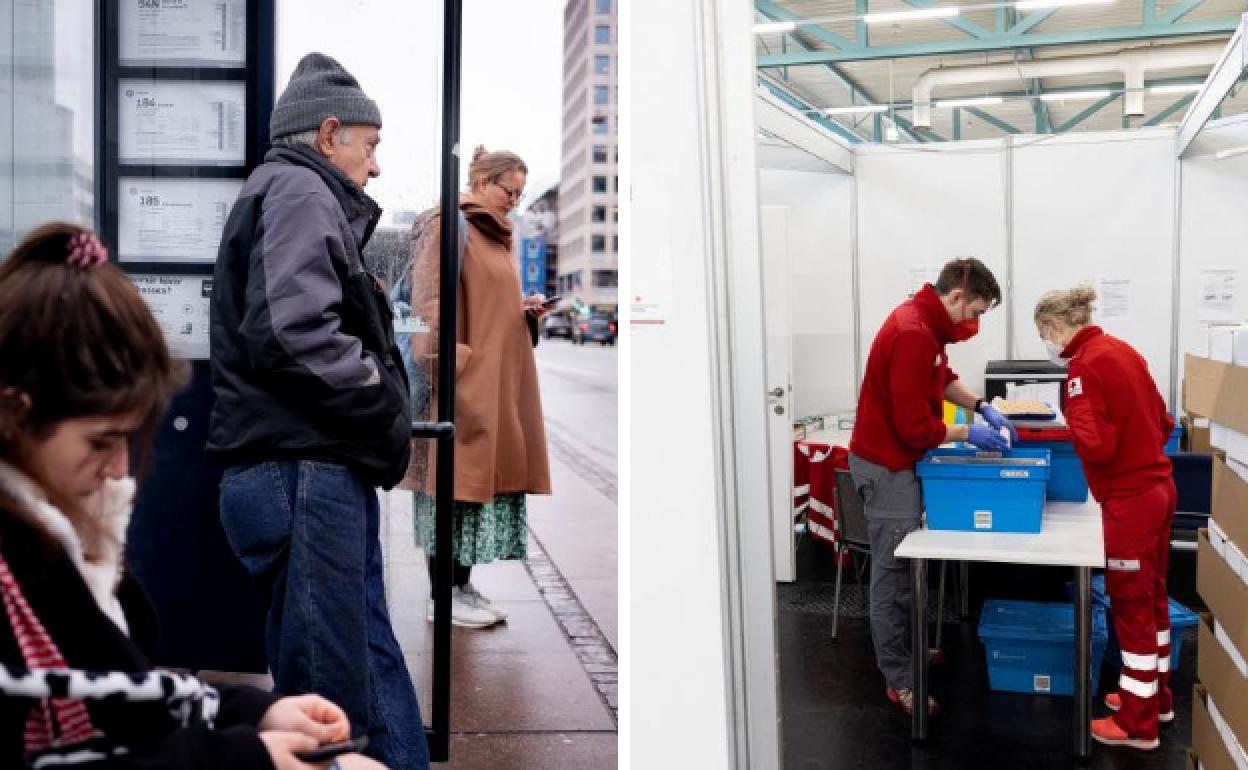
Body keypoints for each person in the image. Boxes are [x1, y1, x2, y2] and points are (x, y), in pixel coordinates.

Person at [0, 223, 383, 770]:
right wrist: (246, 755)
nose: (119, 470)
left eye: (129, 439)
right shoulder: (26, 556)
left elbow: (120, 693)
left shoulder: (47, 530)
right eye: (100, 441)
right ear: (16, 415)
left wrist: (253, 715)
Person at [208, 53, 427, 768]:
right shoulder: (301, 192)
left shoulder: (286, 191)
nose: (376, 166)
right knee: (333, 695)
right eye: (370, 145)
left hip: (298, 468)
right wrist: (383, 404)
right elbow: (294, 333)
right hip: (302, 469)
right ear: (329, 133)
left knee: (356, 664)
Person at [848, 257, 1016, 716]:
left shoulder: (927, 327)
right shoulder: (912, 333)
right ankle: (899, 679)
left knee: (908, 570)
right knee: (893, 575)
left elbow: (939, 379)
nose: (976, 322)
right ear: (957, 296)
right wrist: (969, 433)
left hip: (898, 463)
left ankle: (907, 652)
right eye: (977, 311)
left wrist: (982, 406)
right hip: (886, 467)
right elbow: (913, 428)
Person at [403, 147, 553, 628]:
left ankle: (461, 587)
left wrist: (521, 311)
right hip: (461, 382)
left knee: (472, 493)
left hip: (495, 383)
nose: (513, 200)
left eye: (519, 193)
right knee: (451, 488)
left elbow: (487, 304)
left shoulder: (495, 235)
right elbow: (428, 300)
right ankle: (440, 597)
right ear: (482, 181)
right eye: (507, 189)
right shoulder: (451, 224)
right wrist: (449, 364)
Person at [1034, 286, 1175, 751]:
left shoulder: (1082, 370)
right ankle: (1155, 699)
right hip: (1159, 489)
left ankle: (1139, 726)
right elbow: (1164, 422)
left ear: (1055, 328)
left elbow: (1098, 445)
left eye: (1044, 335)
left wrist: (1068, 424)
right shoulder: (1123, 351)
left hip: (1129, 500)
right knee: (1153, 599)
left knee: (1131, 606)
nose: (1047, 344)